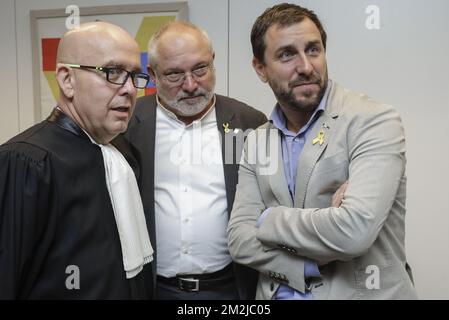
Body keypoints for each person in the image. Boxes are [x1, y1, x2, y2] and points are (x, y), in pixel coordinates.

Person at [227, 3, 418, 299]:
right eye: (286, 54)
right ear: (260, 68)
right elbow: (239, 239)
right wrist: (304, 266)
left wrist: (268, 218)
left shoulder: (373, 120)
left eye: (313, 50)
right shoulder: (256, 141)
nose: (305, 66)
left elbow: (354, 232)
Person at [0, 22, 154, 299]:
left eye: (135, 75)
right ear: (67, 80)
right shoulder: (27, 161)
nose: (130, 89)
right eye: (113, 72)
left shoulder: (123, 154)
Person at [121, 21, 267, 300]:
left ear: (213, 62)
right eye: (174, 74)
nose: (190, 85)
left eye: (200, 69)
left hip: (231, 288)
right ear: (152, 74)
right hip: (152, 290)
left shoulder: (248, 124)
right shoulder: (128, 126)